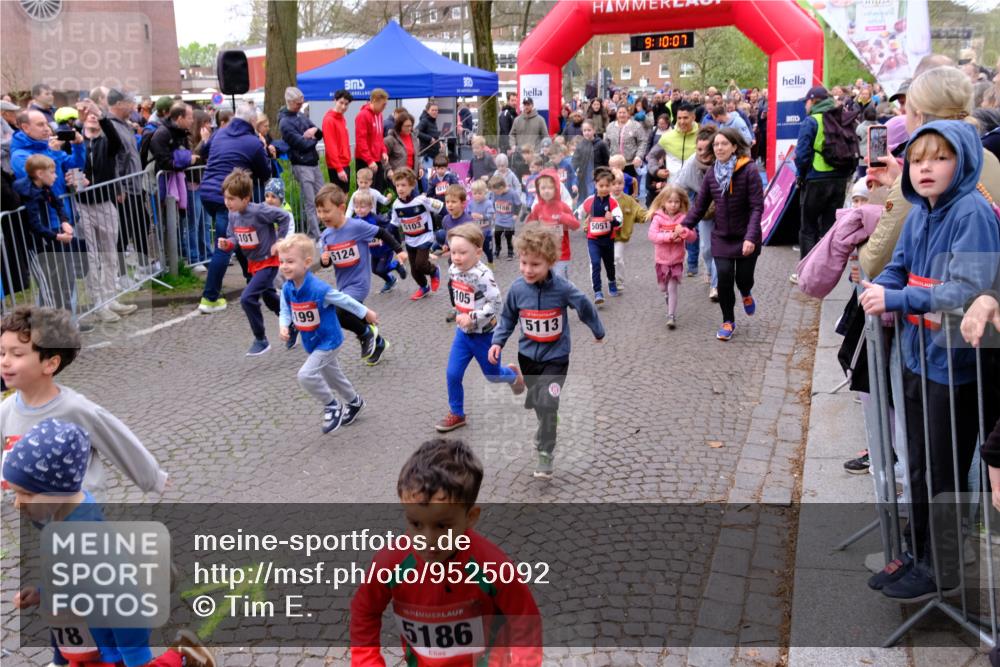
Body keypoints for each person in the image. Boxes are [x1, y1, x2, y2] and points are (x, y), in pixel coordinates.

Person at [860, 121, 1000, 601]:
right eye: (919, 159)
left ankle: (942, 570)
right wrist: (882, 286)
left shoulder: (972, 212)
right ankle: (918, 555)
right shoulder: (921, 210)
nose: (925, 168)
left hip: (956, 365)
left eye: (938, 158)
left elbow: (967, 287)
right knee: (917, 462)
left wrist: (896, 301)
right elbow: (899, 263)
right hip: (918, 356)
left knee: (943, 469)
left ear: (960, 162)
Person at [5, 418, 213, 667]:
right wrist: (41, 593)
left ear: (58, 487)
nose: (17, 504)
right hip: (82, 642)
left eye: (26, 493)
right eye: (14, 492)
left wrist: (135, 656)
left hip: (108, 646)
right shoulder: (59, 521)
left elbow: (124, 599)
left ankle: (182, 656)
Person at [350, 438, 542, 662]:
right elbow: (364, 611)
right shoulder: (391, 562)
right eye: (415, 524)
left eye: (442, 526)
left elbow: (524, 619)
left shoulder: (493, 567)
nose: (428, 540)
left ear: (471, 517)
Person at [0, 305, 168, 496]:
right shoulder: (5, 411)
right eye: (2, 352)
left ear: (50, 363)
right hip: (34, 514)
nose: (5, 361)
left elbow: (117, 439)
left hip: (81, 510)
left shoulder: (74, 409)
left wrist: (153, 477)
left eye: (17, 354)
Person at [489, 223, 606, 478]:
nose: (528, 270)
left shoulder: (563, 288)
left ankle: (545, 453)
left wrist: (598, 330)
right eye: (524, 263)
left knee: (548, 402)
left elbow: (584, 306)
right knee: (541, 403)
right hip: (528, 357)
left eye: (535, 265)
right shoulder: (518, 289)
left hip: (556, 358)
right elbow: (507, 318)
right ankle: (543, 408)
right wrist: (498, 342)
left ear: (550, 262)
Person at [277, 235, 375, 434]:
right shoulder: (288, 288)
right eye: (281, 262)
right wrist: (283, 326)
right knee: (333, 377)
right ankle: (354, 402)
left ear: (306, 263)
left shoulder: (319, 289)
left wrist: (365, 313)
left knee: (305, 375)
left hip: (329, 341)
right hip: (312, 342)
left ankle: (331, 405)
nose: (284, 266)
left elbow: (344, 300)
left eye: (290, 261)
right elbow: (285, 309)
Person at [436, 224, 526, 432]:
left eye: (462, 253)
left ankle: (512, 375)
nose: (456, 257)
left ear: (478, 252)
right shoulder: (453, 269)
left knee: (493, 375)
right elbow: (457, 292)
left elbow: (497, 305)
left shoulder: (483, 275)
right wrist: (458, 310)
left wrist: (473, 317)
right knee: (452, 373)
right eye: (454, 252)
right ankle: (457, 414)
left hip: (485, 336)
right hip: (463, 334)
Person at [681, 128, 763, 342]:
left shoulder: (749, 170)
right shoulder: (712, 173)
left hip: (747, 235)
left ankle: (746, 293)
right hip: (722, 237)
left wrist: (750, 237)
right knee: (724, 279)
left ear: (734, 146)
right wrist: (685, 225)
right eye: (716, 144)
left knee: (744, 279)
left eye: (724, 144)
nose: (719, 148)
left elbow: (757, 207)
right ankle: (728, 321)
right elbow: (700, 207)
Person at [317, 184, 405, 365]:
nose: (322, 216)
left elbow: (382, 232)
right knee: (350, 315)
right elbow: (329, 261)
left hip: (359, 283)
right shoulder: (326, 235)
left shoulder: (356, 226)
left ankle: (366, 335)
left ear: (341, 208)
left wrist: (399, 250)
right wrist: (324, 260)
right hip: (343, 284)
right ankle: (378, 342)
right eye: (319, 212)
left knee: (340, 312)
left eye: (326, 211)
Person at [197, 104, 270, 314]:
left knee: (238, 236)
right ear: (252, 122)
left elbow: (205, 151)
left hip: (208, 193)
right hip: (229, 197)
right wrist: (263, 148)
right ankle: (210, 297)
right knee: (226, 244)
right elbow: (264, 173)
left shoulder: (220, 133)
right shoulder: (252, 142)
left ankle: (254, 281)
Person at [213, 169, 290, 356]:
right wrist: (228, 243)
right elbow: (235, 237)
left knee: (248, 298)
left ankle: (261, 339)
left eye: (232, 199)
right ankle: (291, 322)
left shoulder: (259, 211)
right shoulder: (233, 215)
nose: (227, 203)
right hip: (253, 263)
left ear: (246, 199)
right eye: (226, 198)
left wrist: (279, 241)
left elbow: (284, 217)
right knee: (270, 299)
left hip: (268, 262)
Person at [77, 101, 138, 323]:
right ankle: (97, 303)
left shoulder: (107, 142)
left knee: (110, 254)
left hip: (105, 203)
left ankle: (111, 298)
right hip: (82, 206)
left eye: (95, 117)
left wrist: (100, 114)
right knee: (92, 257)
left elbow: (116, 139)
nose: (92, 117)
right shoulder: (76, 143)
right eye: (88, 116)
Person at [791, 86, 855, 283]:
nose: (804, 105)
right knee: (829, 228)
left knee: (808, 228)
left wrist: (801, 176)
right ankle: (828, 273)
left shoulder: (812, 121)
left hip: (816, 179)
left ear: (814, 101)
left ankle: (807, 274)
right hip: (839, 179)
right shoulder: (842, 116)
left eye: (806, 101)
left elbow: (801, 156)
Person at [12, 155, 80, 314]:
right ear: (40, 174)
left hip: (47, 241)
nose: (56, 175)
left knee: (62, 281)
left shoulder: (44, 186)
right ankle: (49, 326)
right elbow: (34, 225)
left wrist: (64, 221)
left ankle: (65, 321)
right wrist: (58, 237)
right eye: (52, 172)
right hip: (34, 245)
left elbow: (57, 203)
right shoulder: (30, 193)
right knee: (48, 285)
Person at [675, 126, 719, 300]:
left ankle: (716, 286)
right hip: (704, 209)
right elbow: (678, 188)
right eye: (699, 149)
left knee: (720, 248)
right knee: (706, 248)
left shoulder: (722, 160)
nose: (702, 153)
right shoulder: (691, 164)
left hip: (725, 209)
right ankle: (709, 270)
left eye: (706, 149)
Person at [390, 167, 444, 300]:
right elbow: (393, 224)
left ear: (412, 185)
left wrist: (452, 222)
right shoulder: (396, 205)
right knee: (414, 271)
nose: (400, 188)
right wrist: (382, 236)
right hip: (410, 240)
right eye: (397, 185)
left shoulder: (421, 200)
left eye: (404, 185)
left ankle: (434, 270)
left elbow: (441, 207)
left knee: (421, 264)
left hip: (425, 238)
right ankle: (424, 287)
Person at [647, 184, 696, 329]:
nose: (673, 205)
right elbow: (652, 235)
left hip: (676, 260)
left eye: (676, 202)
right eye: (670, 201)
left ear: (681, 203)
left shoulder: (684, 218)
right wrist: (669, 237)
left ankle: (671, 316)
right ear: (663, 202)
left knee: (673, 287)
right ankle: (666, 295)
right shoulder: (657, 218)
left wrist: (685, 233)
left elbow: (693, 237)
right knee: (663, 288)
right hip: (661, 260)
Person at [279, 87, 324, 240]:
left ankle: (320, 230)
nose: (301, 105)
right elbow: (301, 144)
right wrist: (312, 137)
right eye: (298, 104)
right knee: (310, 202)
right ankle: (317, 235)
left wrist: (312, 135)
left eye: (302, 103)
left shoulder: (301, 115)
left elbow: (319, 132)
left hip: (313, 162)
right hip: (301, 164)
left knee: (323, 197)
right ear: (290, 102)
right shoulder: (285, 122)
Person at [574, 167, 622, 304]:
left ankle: (612, 281)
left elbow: (620, 221)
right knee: (595, 264)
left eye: (608, 186)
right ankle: (598, 292)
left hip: (608, 239)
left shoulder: (613, 202)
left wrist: (612, 219)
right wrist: (575, 220)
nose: (604, 188)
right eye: (601, 186)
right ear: (595, 185)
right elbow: (578, 213)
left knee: (609, 264)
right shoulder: (589, 201)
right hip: (593, 240)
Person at [524, 168, 580, 282]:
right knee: (546, 280)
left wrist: (563, 217)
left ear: (557, 189)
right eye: (543, 188)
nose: (547, 191)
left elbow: (575, 225)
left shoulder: (562, 206)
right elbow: (529, 227)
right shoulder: (537, 208)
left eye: (550, 187)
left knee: (559, 279)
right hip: (543, 252)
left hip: (561, 252)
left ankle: (569, 295)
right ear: (538, 190)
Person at [349, 190, 407, 295]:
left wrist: (395, 244)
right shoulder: (355, 220)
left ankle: (396, 265)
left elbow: (390, 228)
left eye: (362, 207)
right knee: (375, 270)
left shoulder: (376, 219)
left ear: (371, 207)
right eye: (356, 207)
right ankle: (390, 281)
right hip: (373, 250)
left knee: (380, 269)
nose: (359, 210)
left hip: (385, 249)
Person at [609, 167, 648, 293]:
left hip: (620, 236)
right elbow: (592, 212)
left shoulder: (628, 200)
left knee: (617, 258)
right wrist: (587, 226)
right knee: (605, 261)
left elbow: (639, 211)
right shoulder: (603, 198)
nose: (617, 186)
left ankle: (619, 281)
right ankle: (608, 279)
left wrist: (649, 214)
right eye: (613, 183)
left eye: (620, 183)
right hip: (604, 236)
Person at [355, 88, 390, 192]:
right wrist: (369, 160)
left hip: (377, 159)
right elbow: (361, 141)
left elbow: (379, 137)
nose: (384, 107)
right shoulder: (363, 115)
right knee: (365, 191)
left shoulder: (379, 115)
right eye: (383, 104)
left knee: (377, 190)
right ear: (374, 100)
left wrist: (383, 151)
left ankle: (377, 209)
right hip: (366, 160)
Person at [322, 88, 353, 192]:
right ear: (335, 100)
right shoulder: (329, 120)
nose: (343, 106)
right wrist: (339, 169)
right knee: (339, 199)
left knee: (344, 196)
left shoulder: (341, 118)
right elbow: (331, 147)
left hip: (344, 163)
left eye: (346, 104)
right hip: (337, 166)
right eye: (341, 103)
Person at [604, 105, 646, 180]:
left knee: (630, 186)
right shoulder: (610, 126)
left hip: (630, 163)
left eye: (624, 112)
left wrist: (638, 156)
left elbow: (642, 142)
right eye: (620, 112)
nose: (622, 115)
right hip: (615, 164)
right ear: (617, 114)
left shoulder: (636, 126)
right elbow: (606, 143)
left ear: (628, 114)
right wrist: (609, 157)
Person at [571, 120, 610, 203]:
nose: (587, 133)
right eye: (585, 130)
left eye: (589, 130)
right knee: (584, 199)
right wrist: (571, 172)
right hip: (584, 176)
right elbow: (574, 161)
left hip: (597, 176)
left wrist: (605, 175)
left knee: (595, 197)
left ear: (594, 130)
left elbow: (606, 161)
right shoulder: (580, 145)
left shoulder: (601, 144)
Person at [489, 174, 520, 261]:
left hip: (509, 219)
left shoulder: (512, 194)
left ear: (502, 187)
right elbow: (493, 203)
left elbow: (518, 204)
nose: (495, 193)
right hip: (499, 218)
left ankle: (510, 252)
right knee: (497, 234)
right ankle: (497, 250)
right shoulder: (495, 193)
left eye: (496, 191)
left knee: (508, 235)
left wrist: (516, 214)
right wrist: (494, 212)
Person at [384, 110, 422, 182]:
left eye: (411, 126)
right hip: (397, 177)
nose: (409, 128)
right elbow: (383, 157)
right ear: (399, 126)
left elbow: (417, 156)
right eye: (407, 126)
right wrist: (388, 170)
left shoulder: (415, 139)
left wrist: (420, 168)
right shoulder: (390, 140)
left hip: (412, 176)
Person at [416, 101, 444, 169]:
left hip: (434, 156)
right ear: (427, 111)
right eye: (432, 110)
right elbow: (416, 132)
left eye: (436, 110)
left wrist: (439, 142)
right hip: (427, 156)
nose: (435, 112)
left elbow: (434, 136)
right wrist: (429, 138)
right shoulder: (424, 121)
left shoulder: (433, 121)